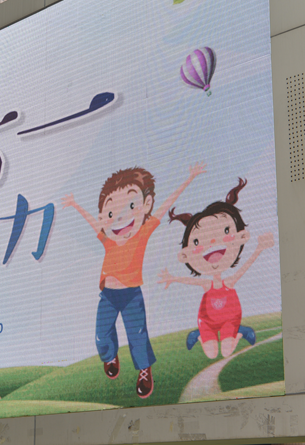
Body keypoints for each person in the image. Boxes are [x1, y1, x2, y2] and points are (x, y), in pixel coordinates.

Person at [63, 163, 205, 398]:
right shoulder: (107, 239)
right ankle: (110, 357)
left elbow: (165, 206)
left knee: (137, 335)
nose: (120, 218)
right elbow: (93, 223)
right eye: (111, 213)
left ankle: (144, 371)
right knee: (101, 334)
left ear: (145, 205)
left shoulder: (142, 233)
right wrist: (75, 205)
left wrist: (189, 178)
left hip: (131, 296)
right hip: (108, 296)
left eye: (130, 206)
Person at [159, 178, 274, 360]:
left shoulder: (229, 282)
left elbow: (245, 267)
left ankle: (240, 332)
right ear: (186, 255)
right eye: (197, 241)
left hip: (230, 319)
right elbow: (191, 281)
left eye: (225, 232)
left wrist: (260, 248)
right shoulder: (207, 284)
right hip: (207, 321)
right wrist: (172, 278)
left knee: (226, 351)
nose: (212, 242)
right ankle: (198, 334)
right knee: (212, 355)